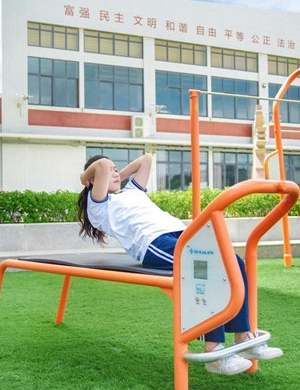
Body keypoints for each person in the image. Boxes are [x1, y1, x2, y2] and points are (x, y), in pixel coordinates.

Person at [77, 153, 283, 375]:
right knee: (210, 269)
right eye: (110, 172)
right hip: (154, 243)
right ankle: (213, 351)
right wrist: (88, 176)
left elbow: (146, 160)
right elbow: (101, 165)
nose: (116, 173)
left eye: (117, 170)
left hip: (183, 235)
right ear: (93, 180)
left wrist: (117, 176)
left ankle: (242, 335)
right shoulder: (98, 206)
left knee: (236, 262)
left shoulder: (132, 191)